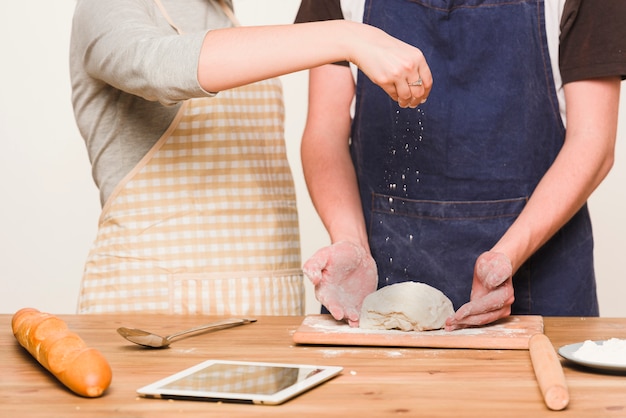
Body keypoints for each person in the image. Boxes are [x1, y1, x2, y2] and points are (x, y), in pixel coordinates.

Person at [69, 0, 431, 315]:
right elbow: (156, 66)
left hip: (263, 308)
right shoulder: (105, 6)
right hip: (154, 315)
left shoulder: (223, 15)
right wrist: (349, 36)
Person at [295, 0, 626, 328]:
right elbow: (325, 131)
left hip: (542, 278)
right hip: (378, 270)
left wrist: (506, 256)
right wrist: (350, 241)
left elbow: (592, 142)